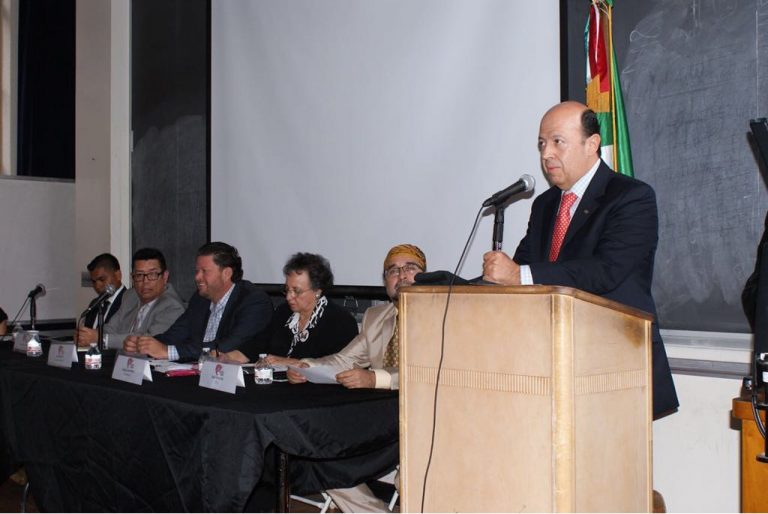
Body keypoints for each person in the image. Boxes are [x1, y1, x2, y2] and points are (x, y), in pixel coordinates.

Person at [482, 100, 678, 419]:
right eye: (542, 144)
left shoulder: (631, 197)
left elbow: (605, 271)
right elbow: (524, 265)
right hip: (549, 365)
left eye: (558, 142)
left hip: (613, 366)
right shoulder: (545, 204)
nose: (546, 154)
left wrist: (521, 275)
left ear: (592, 144)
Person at [287, 243, 426, 513]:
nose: (402, 275)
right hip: (377, 420)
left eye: (410, 268)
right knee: (315, 449)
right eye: (393, 271)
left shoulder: (444, 316)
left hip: (422, 417)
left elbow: (429, 370)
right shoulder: (376, 316)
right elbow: (344, 359)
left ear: (425, 275)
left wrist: (376, 379)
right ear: (385, 281)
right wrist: (305, 367)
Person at [124, 242, 273, 361]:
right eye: (197, 271)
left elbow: (224, 346)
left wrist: (169, 352)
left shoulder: (253, 301)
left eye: (204, 271)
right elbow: (174, 335)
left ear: (226, 273)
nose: (197, 277)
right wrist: (143, 344)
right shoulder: (200, 299)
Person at [228, 252, 358, 365]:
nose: (289, 297)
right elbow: (258, 344)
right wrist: (228, 357)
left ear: (317, 291)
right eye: (287, 290)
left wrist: (292, 363)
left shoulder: (340, 321)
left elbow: (337, 364)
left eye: (297, 291)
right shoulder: (283, 312)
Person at [76, 248, 185, 350]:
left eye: (152, 274)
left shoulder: (172, 306)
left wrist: (102, 339)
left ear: (165, 277)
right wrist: (88, 336)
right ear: (132, 277)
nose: (145, 281)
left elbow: (148, 340)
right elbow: (111, 328)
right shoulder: (130, 296)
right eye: (139, 275)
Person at [82, 253, 126, 329]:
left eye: (102, 279)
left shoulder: (129, 302)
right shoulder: (94, 304)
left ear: (118, 275)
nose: (97, 286)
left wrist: (96, 336)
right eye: (93, 281)